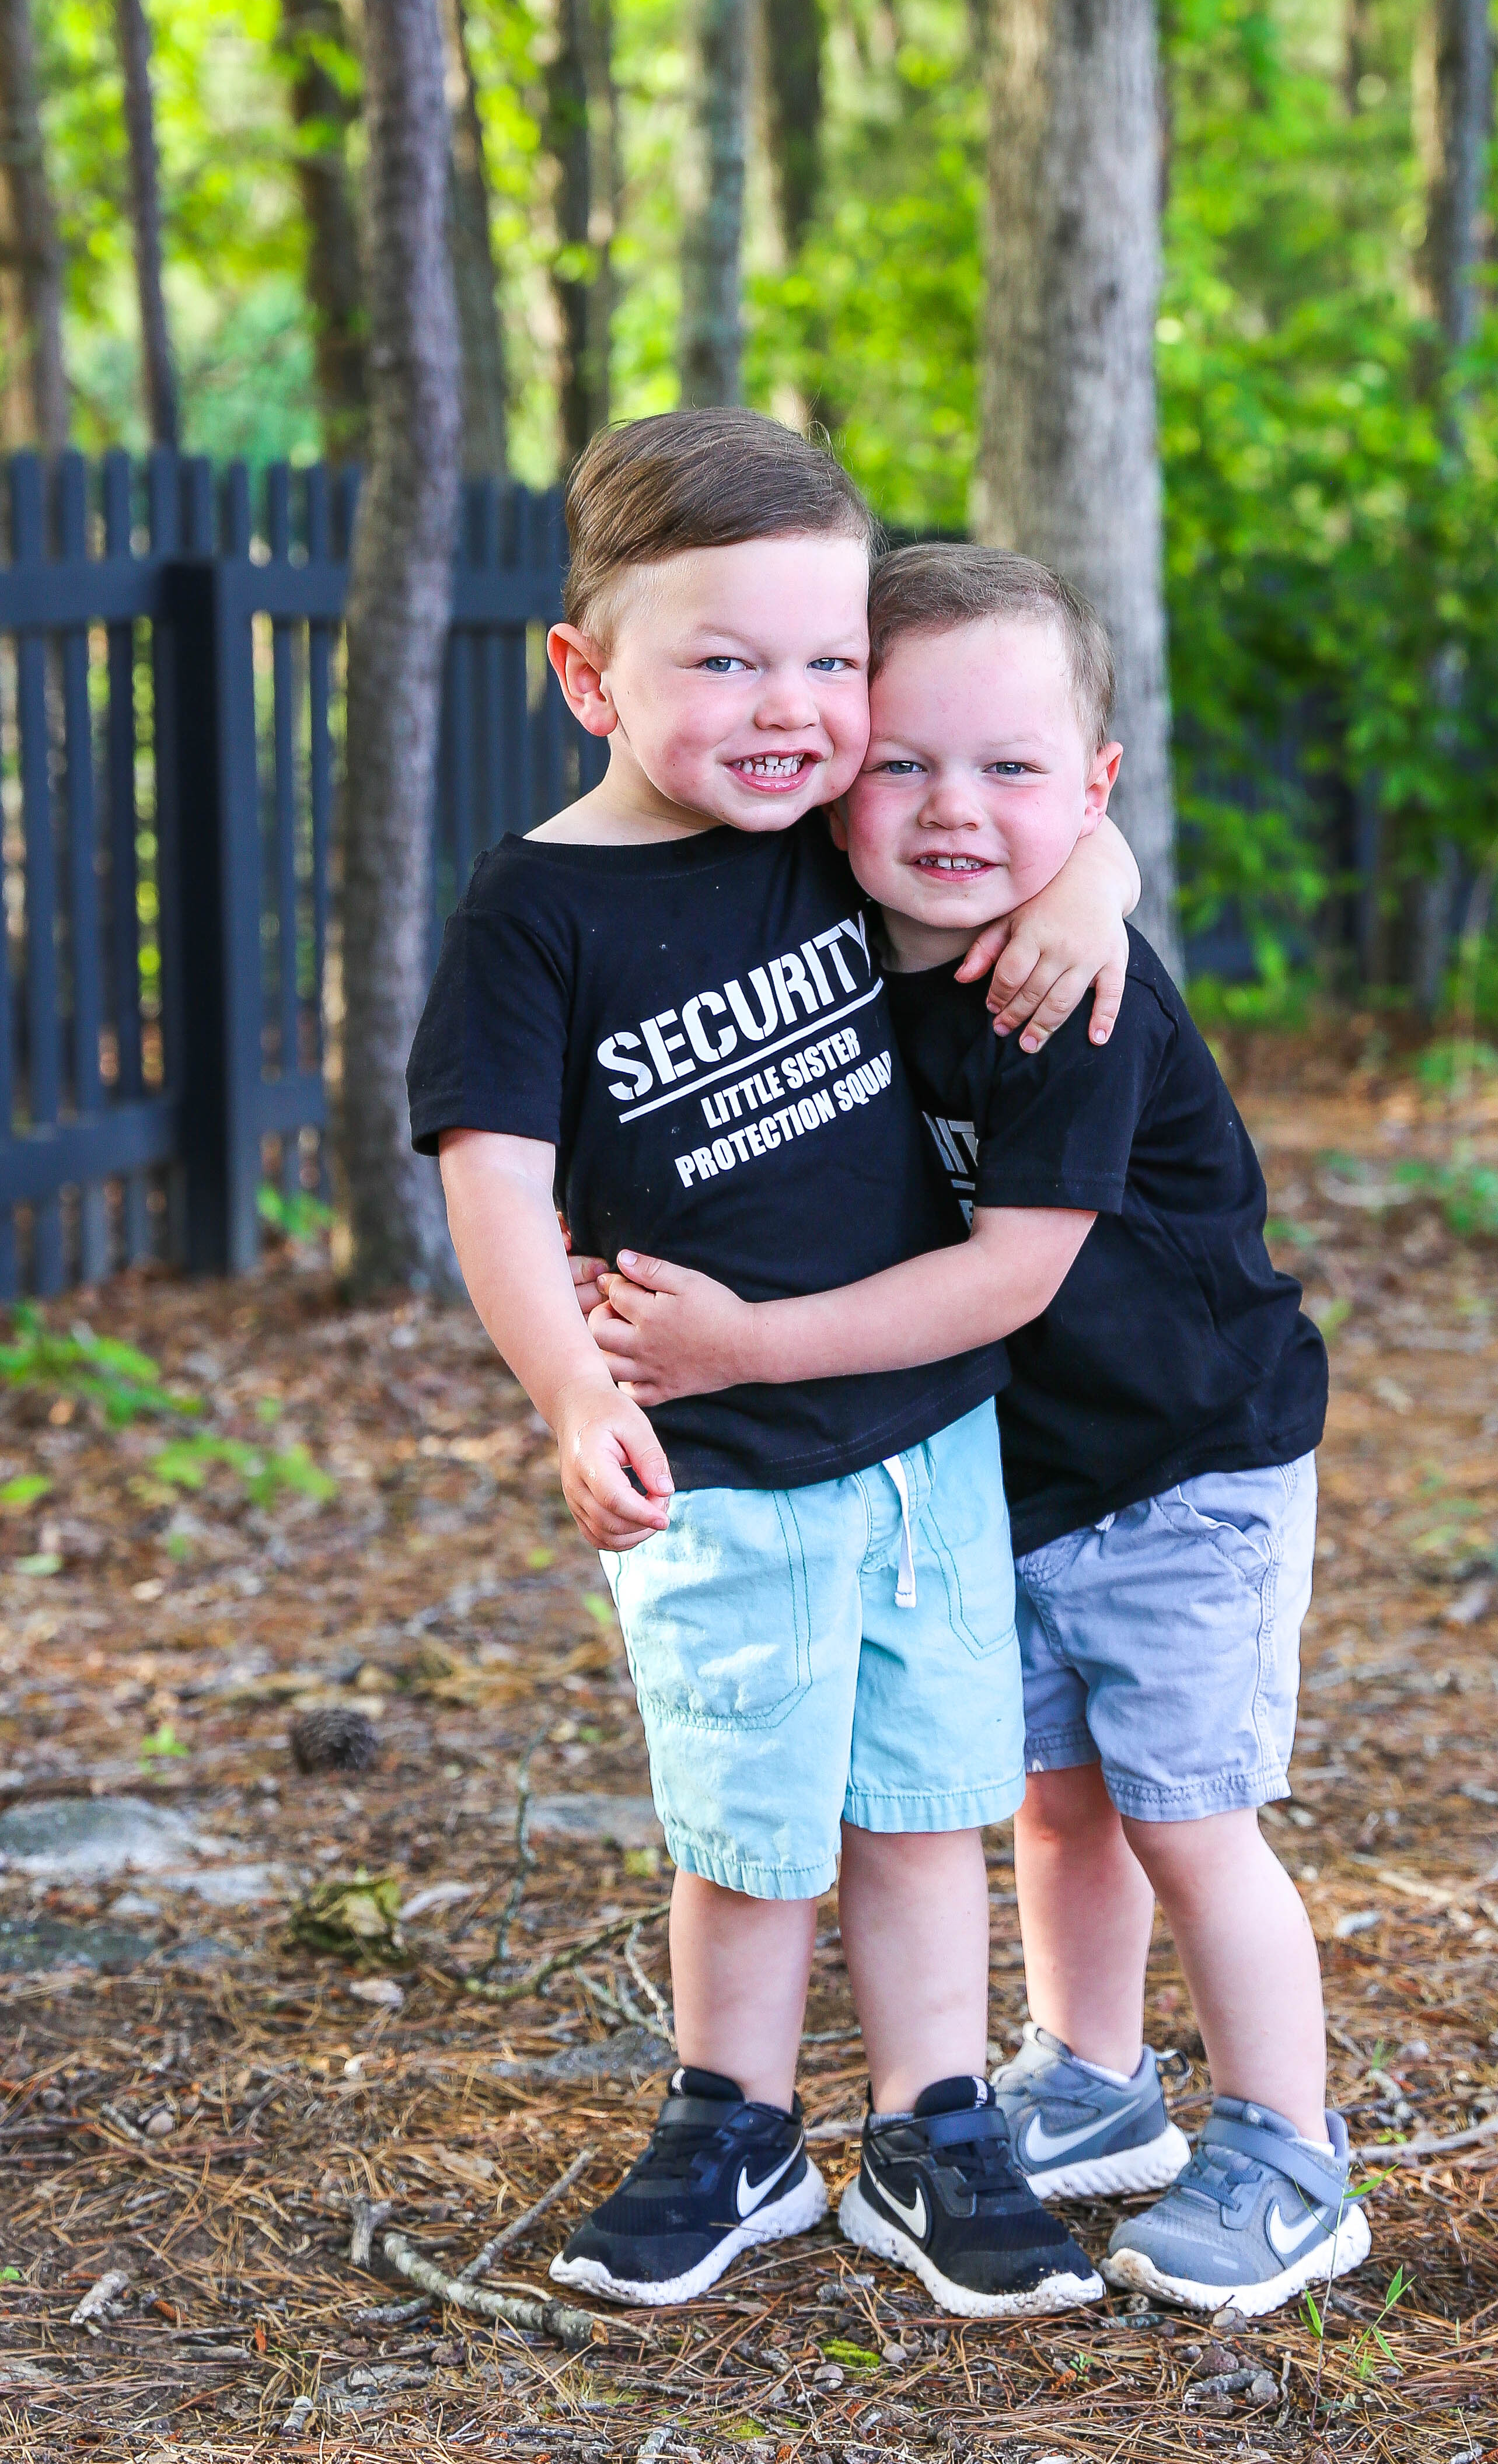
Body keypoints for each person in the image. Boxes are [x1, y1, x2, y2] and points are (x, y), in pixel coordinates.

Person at [580, 541, 1368, 2321]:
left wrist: (745, 1343)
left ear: (1089, 788)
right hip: (1005, 1473)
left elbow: (1010, 1279)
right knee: (1050, 1802)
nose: (951, 807)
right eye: (904, 761)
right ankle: (1090, 2079)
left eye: (1011, 773)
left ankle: (1292, 2148)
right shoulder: (826, 927)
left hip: (1186, 1464)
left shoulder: (1065, 983)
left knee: (1188, 1814)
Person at [407, 421, 1137, 2317]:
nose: (791, 708)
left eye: (829, 664)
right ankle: (731, 2121)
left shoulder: (832, 833)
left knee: (918, 1801)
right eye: (725, 659)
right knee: (748, 1818)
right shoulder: (536, 913)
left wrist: (1095, 877)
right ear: (586, 674)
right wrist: (573, 1390)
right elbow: (491, 1182)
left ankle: (930, 2124)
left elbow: (1021, 801)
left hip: (925, 1437)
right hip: (712, 1455)